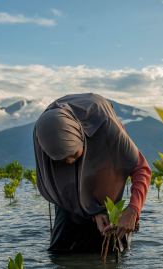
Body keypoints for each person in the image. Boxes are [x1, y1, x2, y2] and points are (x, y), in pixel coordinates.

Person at [33, 93, 151, 252]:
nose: (69, 162)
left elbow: (141, 169)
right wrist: (93, 214)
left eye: (74, 154)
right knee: (61, 250)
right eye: (61, 161)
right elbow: (59, 185)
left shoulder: (107, 126)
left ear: (79, 136)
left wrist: (133, 210)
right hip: (69, 200)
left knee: (114, 245)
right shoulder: (46, 137)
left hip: (102, 161)